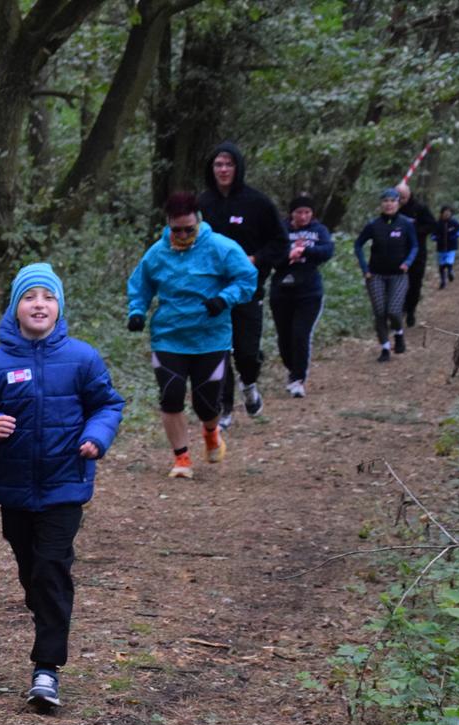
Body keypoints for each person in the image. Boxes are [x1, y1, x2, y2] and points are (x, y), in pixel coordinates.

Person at [0, 264, 123, 711]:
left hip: (66, 484)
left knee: (51, 568)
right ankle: (47, 611)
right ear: (15, 308)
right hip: (14, 488)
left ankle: (46, 667)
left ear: (59, 306)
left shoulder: (82, 358)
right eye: (29, 296)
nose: (39, 304)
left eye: (47, 296)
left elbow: (107, 404)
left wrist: (97, 437)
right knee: (33, 571)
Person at [126, 191, 257, 479]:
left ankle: (211, 432)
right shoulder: (157, 253)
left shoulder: (221, 248)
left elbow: (247, 278)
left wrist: (224, 299)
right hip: (169, 336)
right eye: (177, 230)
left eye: (189, 229)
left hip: (211, 338)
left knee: (206, 404)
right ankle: (182, 458)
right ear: (168, 225)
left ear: (198, 221)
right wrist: (136, 311)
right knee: (171, 396)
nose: (183, 235)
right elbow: (140, 285)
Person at [196, 141, 288, 427]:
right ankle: (225, 409)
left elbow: (281, 243)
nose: (223, 170)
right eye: (218, 165)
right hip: (212, 291)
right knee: (218, 351)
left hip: (248, 289)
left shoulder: (257, 203)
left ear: (238, 167)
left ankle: (249, 385)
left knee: (246, 352)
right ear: (211, 169)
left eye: (228, 164)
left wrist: (256, 259)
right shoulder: (203, 204)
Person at [267, 195, 335, 398]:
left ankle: (298, 379)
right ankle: (292, 369)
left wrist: (305, 249)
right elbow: (269, 255)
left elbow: (328, 250)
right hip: (282, 290)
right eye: (299, 212)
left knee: (300, 334)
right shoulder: (281, 229)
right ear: (292, 213)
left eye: (307, 212)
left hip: (310, 292)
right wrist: (288, 254)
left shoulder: (318, 230)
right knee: (284, 338)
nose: (304, 216)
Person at [354, 187, 419, 362]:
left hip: (398, 275)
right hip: (375, 275)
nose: (389, 204)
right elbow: (358, 245)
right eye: (385, 201)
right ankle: (384, 348)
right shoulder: (373, 225)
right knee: (379, 312)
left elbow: (415, 245)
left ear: (398, 203)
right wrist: (364, 268)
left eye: (392, 201)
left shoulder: (406, 223)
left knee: (394, 311)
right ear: (381, 204)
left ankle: (398, 333)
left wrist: (408, 262)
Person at [395, 181, 435, 328]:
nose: (400, 200)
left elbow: (432, 225)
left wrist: (414, 231)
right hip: (397, 253)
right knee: (397, 283)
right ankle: (398, 311)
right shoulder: (393, 208)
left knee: (414, 284)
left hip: (417, 253)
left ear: (409, 194)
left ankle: (411, 310)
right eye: (398, 197)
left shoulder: (420, 208)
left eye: (403, 197)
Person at [434, 206, 459, 289]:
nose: (447, 214)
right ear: (441, 213)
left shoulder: (454, 222)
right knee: (441, 265)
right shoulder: (438, 223)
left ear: (451, 213)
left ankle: (450, 272)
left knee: (449, 262)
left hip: (452, 246)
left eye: (448, 212)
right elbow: (433, 233)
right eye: (445, 212)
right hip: (440, 247)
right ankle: (442, 281)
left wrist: (456, 235)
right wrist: (434, 237)